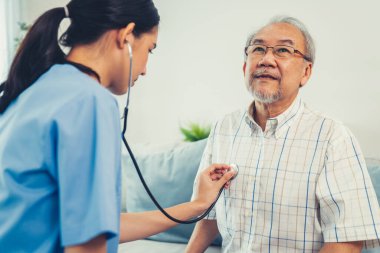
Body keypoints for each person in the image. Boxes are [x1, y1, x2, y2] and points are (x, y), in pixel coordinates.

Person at [0, 0, 236, 252]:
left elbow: (100, 226)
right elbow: (88, 246)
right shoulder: (88, 100)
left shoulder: (42, 89)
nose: (145, 70)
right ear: (126, 37)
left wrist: (196, 206)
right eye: (150, 49)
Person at [186, 16, 380, 253]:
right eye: (258, 49)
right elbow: (209, 213)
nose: (267, 59)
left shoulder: (333, 137)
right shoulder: (224, 128)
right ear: (245, 67)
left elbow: (347, 240)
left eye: (283, 50)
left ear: (305, 73)